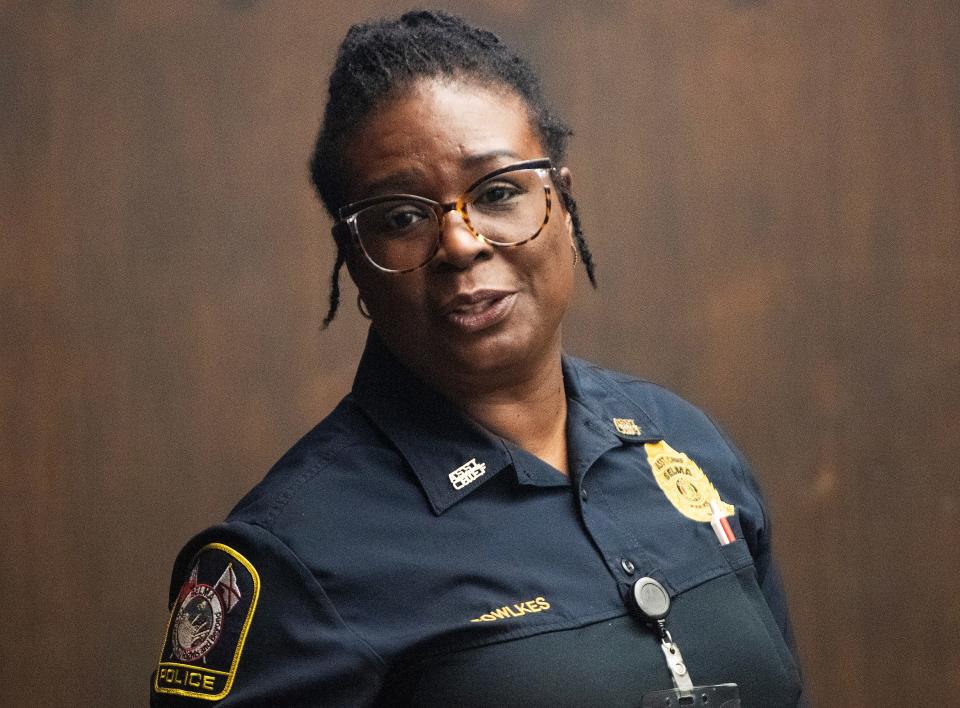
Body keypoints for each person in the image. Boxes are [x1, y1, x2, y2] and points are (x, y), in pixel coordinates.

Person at [151, 10, 804, 706]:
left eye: (497, 193)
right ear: (357, 263)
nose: (460, 242)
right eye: (402, 217)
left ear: (562, 200)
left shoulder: (687, 443)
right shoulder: (288, 559)